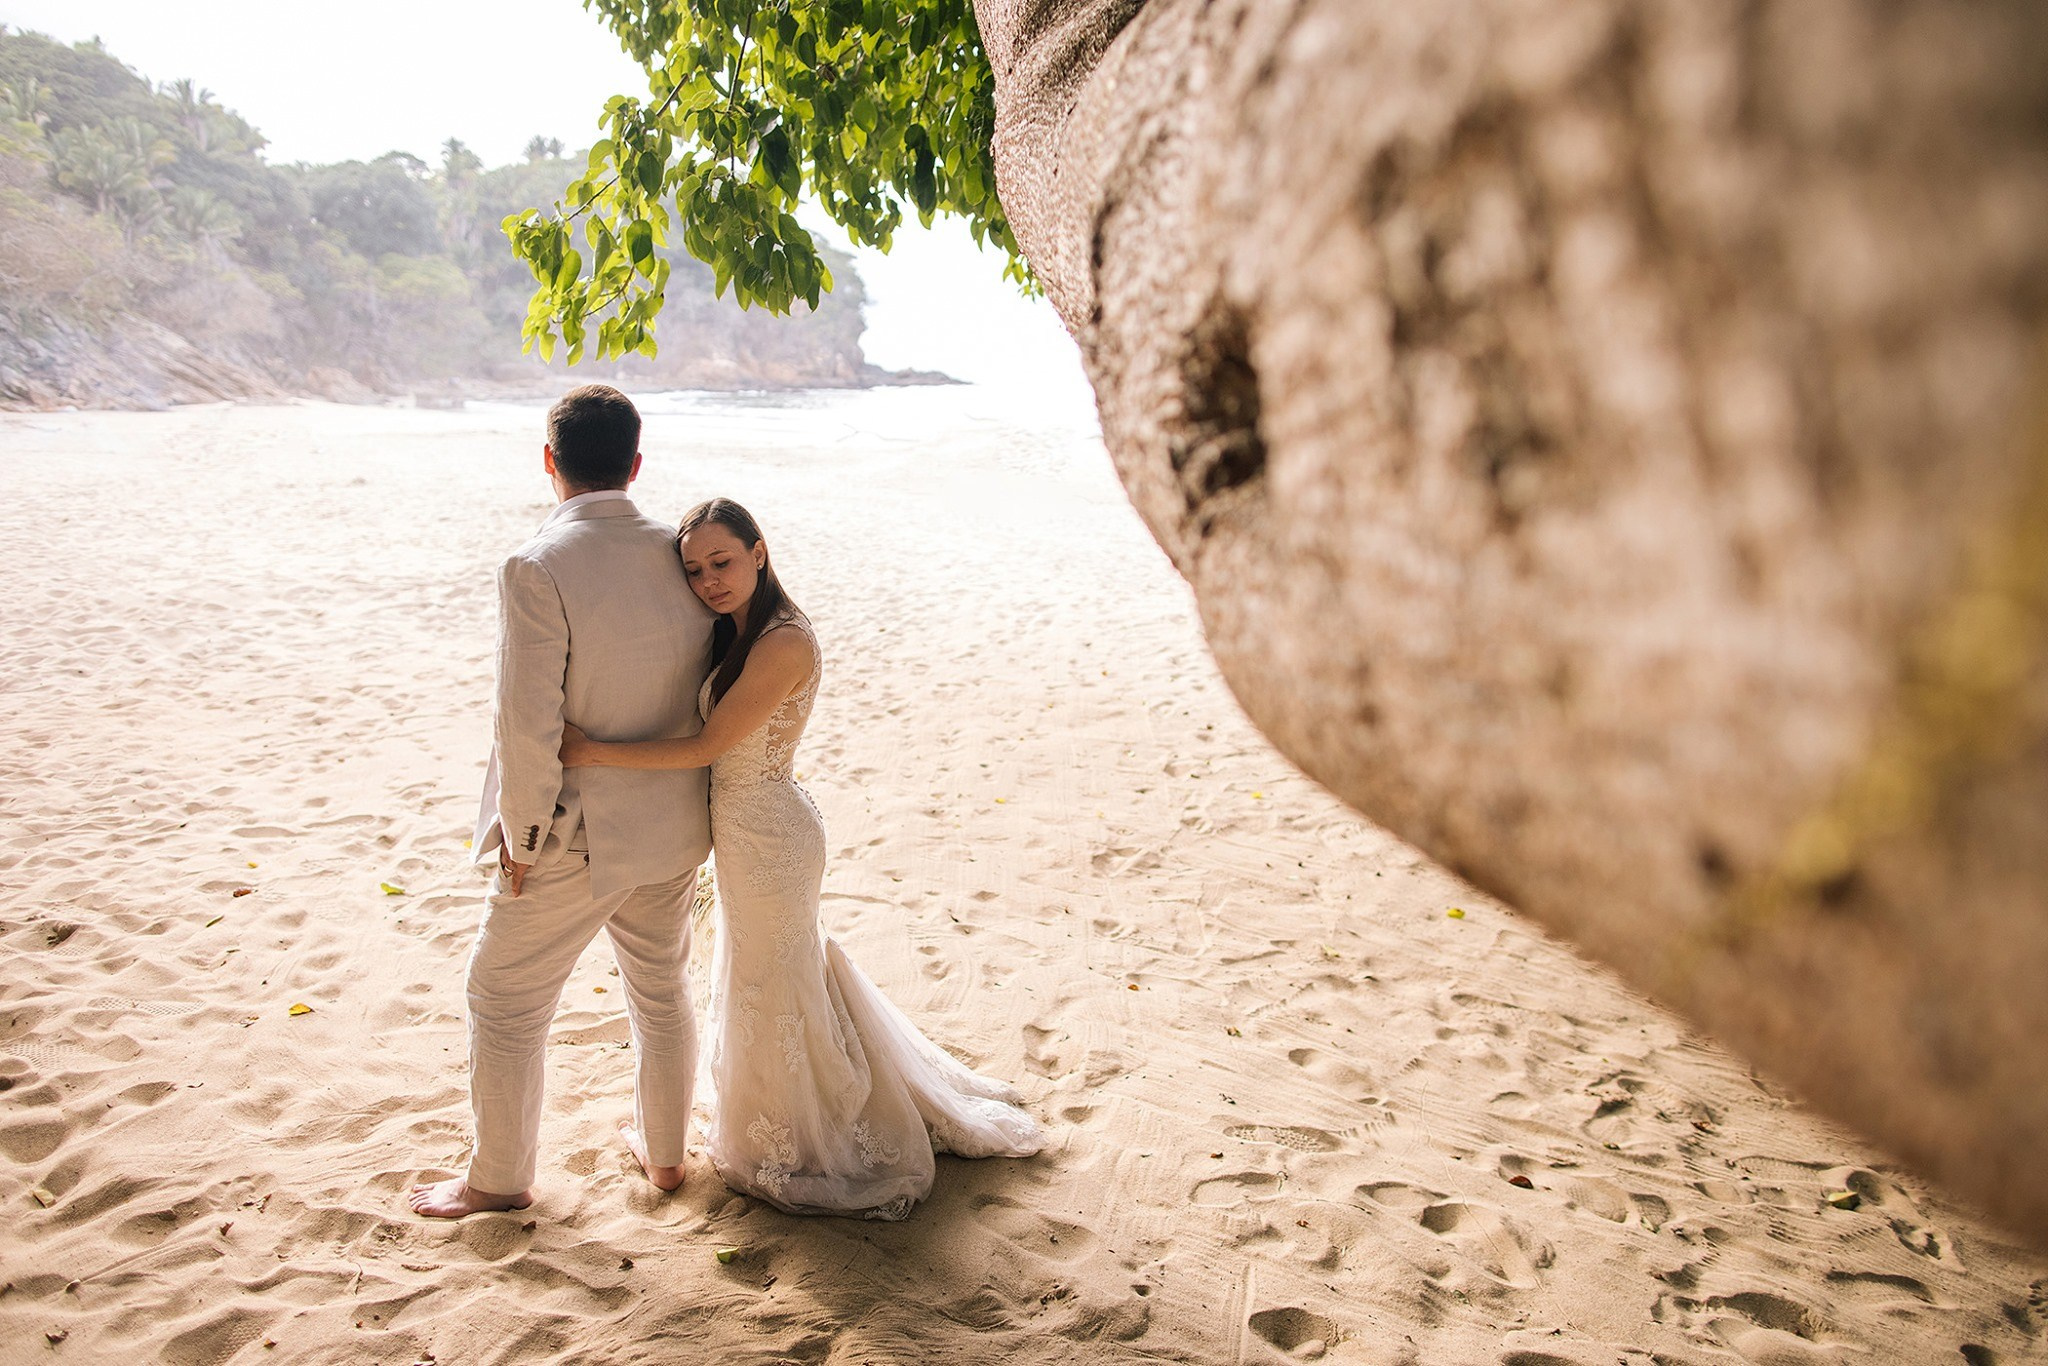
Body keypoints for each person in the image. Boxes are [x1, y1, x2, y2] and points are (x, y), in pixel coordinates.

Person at [560, 497, 1043, 1218]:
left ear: (760, 552)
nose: (709, 581)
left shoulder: (784, 642)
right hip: (749, 826)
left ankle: (797, 1135)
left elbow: (704, 747)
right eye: (694, 570)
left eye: (722, 562)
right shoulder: (740, 630)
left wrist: (592, 749)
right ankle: (778, 1114)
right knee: (772, 973)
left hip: (769, 834)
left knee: (771, 980)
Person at [410, 385, 715, 1218]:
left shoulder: (536, 563)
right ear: (635, 464)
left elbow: (526, 721)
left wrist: (522, 834)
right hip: (675, 825)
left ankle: (499, 1181)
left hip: (574, 835)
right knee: (661, 991)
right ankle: (664, 1161)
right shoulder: (684, 553)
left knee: (501, 1000)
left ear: (551, 460)